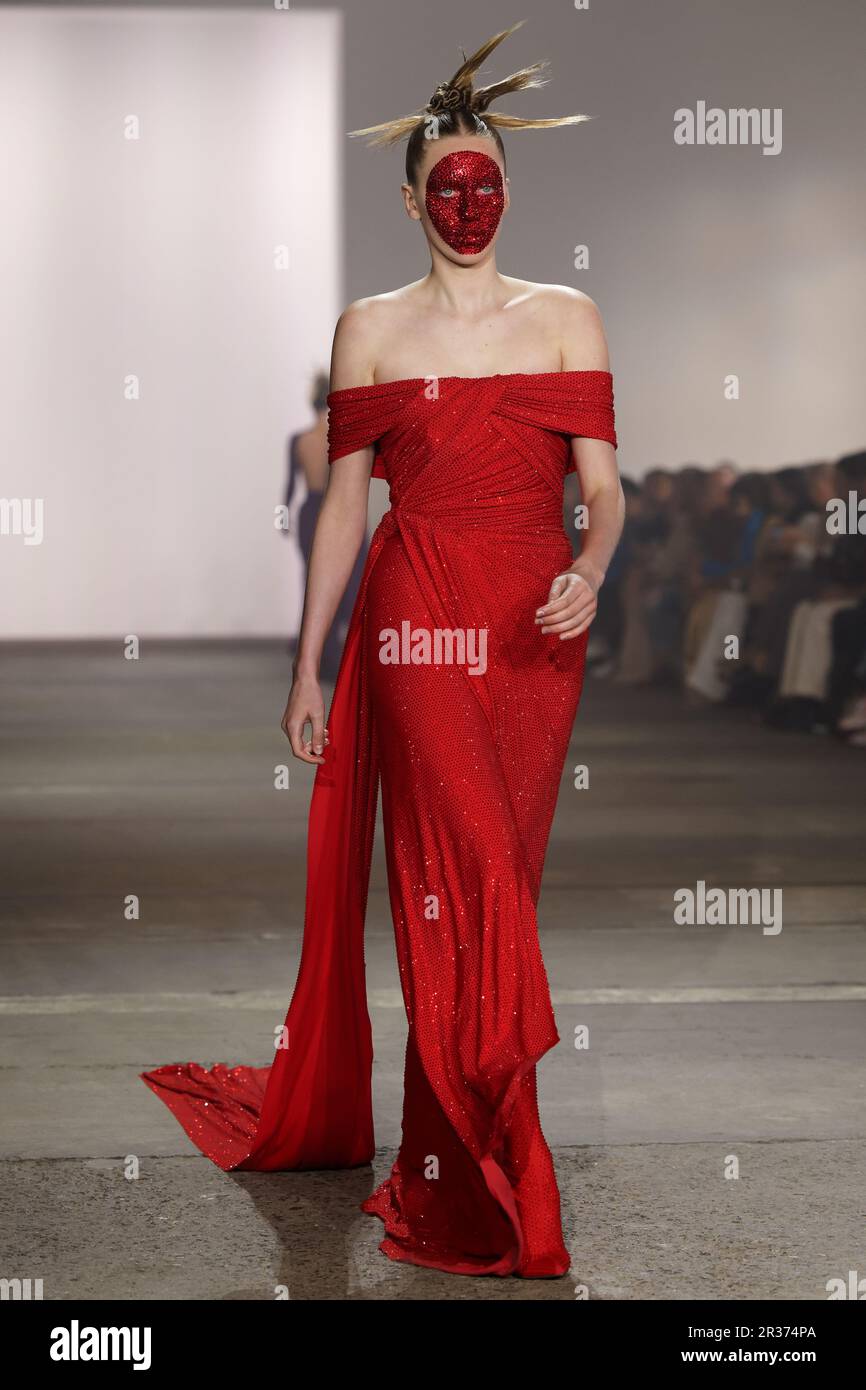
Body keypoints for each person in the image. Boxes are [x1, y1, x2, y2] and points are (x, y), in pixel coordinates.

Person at [142, 22, 624, 1279]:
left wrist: (588, 566)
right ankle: (490, 1157)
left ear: (505, 193)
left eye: (488, 184)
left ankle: (450, 1141)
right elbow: (345, 508)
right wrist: (309, 663)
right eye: (446, 186)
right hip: (415, 616)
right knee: (454, 870)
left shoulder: (568, 315)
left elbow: (606, 490)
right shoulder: (369, 329)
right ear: (411, 196)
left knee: (499, 885)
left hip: (533, 623)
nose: (468, 204)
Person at [284, 372, 367, 681]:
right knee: (347, 579)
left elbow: (290, 487)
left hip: (310, 511)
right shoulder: (339, 437)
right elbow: (346, 486)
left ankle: (318, 651)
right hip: (335, 509)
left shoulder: (301, 440)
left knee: (315, 578)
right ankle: (334, 652)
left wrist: (286, 520)